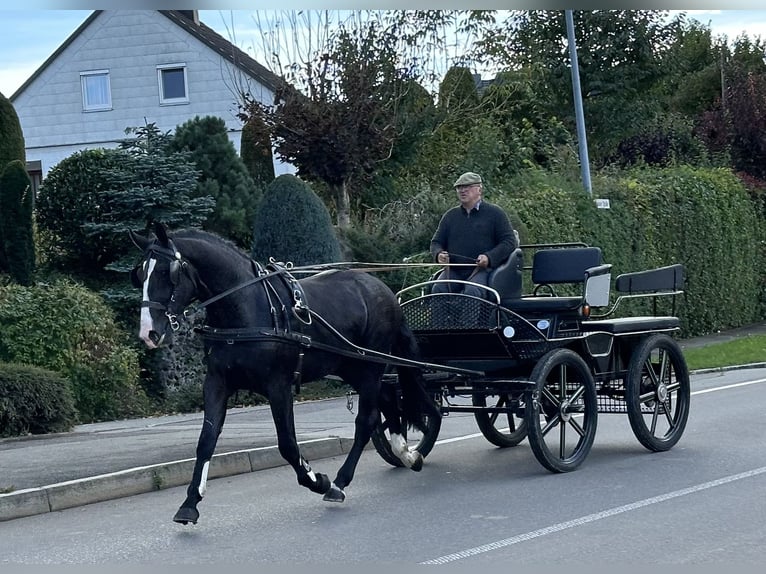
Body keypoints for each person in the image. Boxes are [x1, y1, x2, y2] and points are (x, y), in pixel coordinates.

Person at [430, 171, 516, 298]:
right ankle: (439, 319)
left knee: (473, 292)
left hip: (483, 270)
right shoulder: (450, 216)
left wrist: (489, 257)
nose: (462, 190)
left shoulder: (495, 214)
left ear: (479, 189)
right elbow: (436, 242)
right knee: (438, 289)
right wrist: (439, 254)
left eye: (467, 187)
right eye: (459, 187)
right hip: (455, 271)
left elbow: (509, 242)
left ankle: (471, 319)